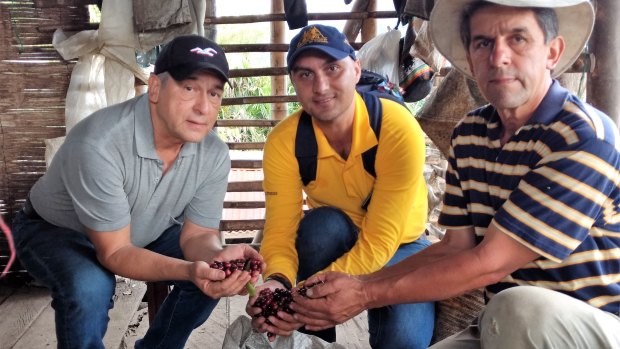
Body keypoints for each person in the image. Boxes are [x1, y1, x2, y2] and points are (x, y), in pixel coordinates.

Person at [291, 1, 620, 348]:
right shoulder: (471, 133)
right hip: (502, 324)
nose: (498, 57)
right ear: (469, 56)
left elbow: (489, 263)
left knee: (519, 305)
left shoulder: (583, 135)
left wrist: (365, 293)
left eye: (518, 39)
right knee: (509, 310)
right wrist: (358, 283)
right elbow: (454, 247)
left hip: (588, 326)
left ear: (552, 52)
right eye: (483, 43)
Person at [11, 35, 264, 349]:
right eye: (189, 88)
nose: (203, 107)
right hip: (56, 230)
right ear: (155, 88)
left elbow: (198, 235)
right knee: (89, 289)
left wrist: (217, 258)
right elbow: (116, 252)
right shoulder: (100, 143)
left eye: (214, 93)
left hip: (142, 228)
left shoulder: (212, 153)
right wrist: (190, 270)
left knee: (213, 275)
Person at [245, 24, 435, 348]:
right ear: (294, 83)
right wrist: (278, 282)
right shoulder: (283, 142)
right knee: (317, 229)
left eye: (332, 68)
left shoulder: (398, 128)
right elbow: (279, 231)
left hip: (401, 244)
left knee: (405, 340)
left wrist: (305, 299)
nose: (320, 86)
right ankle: (312, 339)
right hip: (337, 234)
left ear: (357, 69)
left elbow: (379, 242)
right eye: (305, 74)